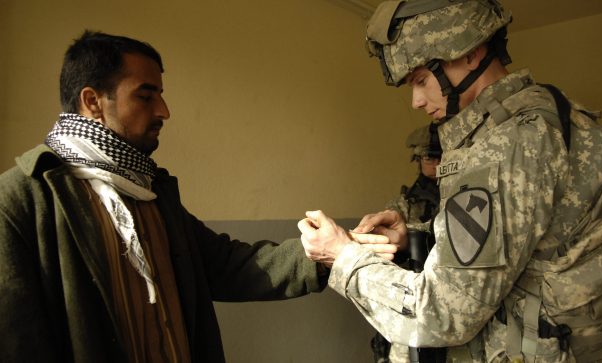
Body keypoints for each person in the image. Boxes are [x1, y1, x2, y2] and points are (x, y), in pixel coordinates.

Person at [0, 30, 393, 362]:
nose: (164, 111)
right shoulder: (22, 199)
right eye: (146, 95)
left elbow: (229, 266)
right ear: (92, 102)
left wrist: (338, 249)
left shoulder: (150, 192)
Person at [298, 0, 602, 362]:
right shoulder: (556, 110)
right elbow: (532, 241)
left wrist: (343, 257)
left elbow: (443, 315)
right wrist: (421, 233)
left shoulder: (504, 145)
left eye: (421, 79)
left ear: (471, 53)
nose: (415, 100)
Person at [371, 125, 442, 363]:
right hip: (409, 296)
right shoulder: (404, 204)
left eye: (438, 156)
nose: (433, 163)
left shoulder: (462, 193)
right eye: (427, 157)